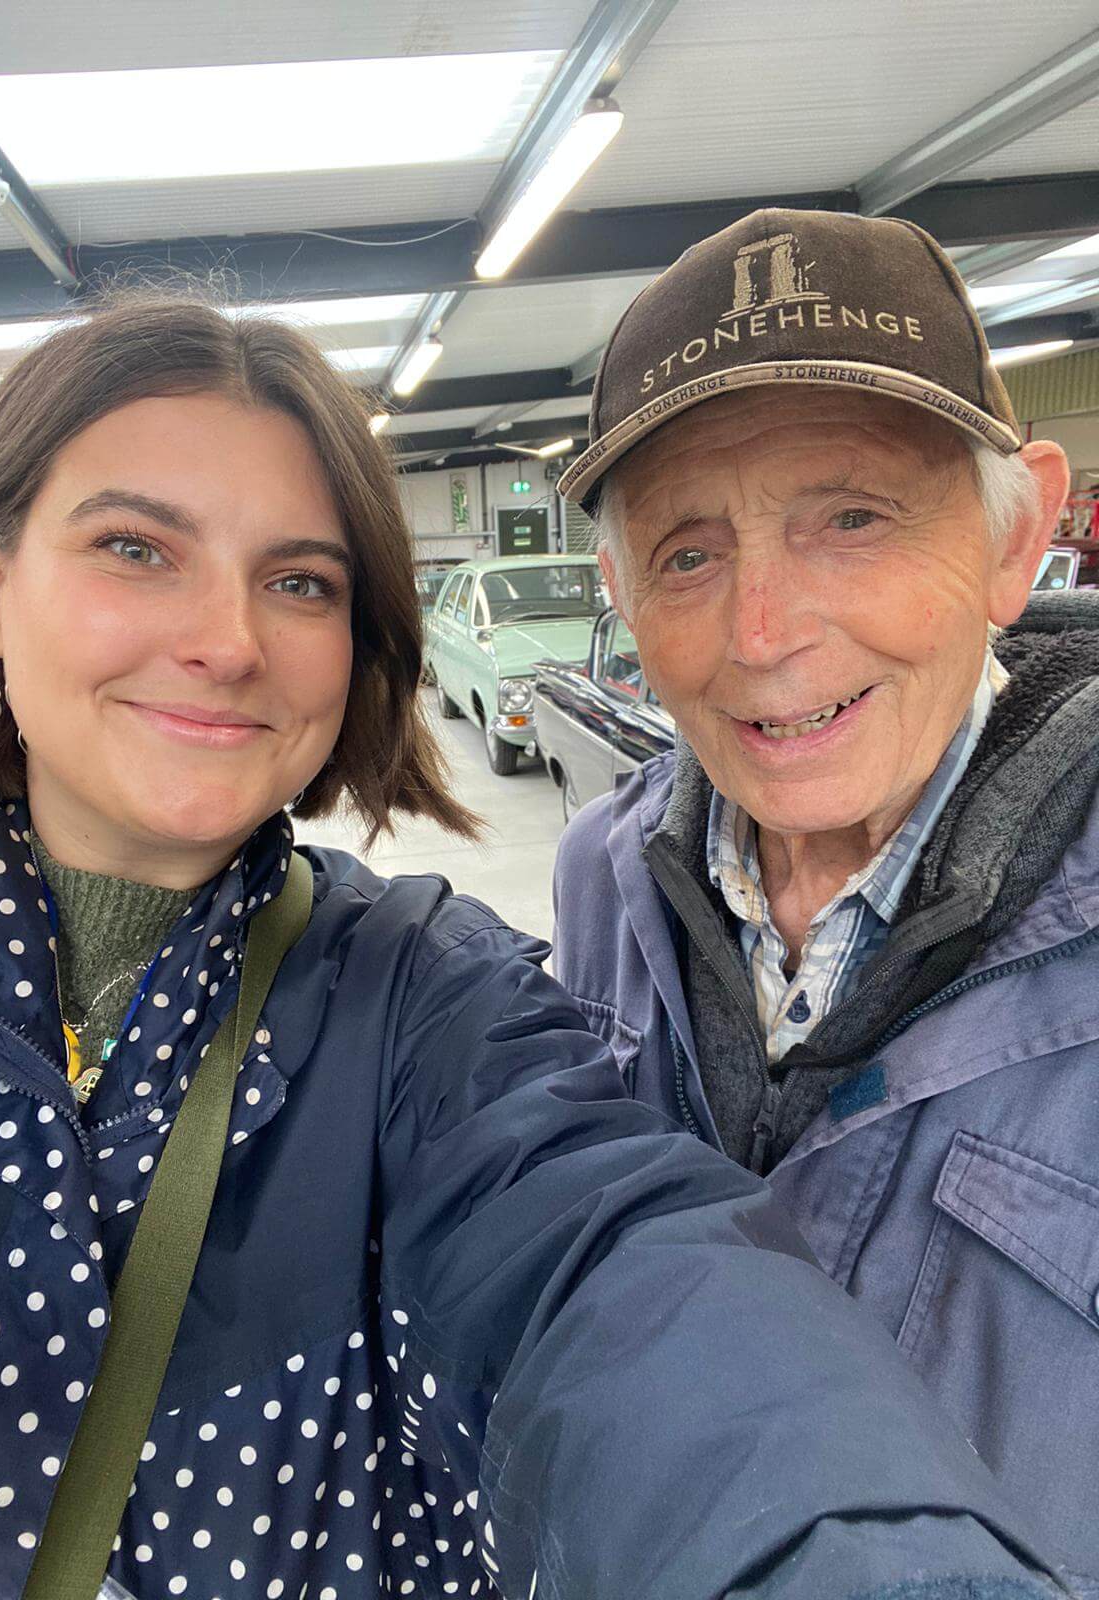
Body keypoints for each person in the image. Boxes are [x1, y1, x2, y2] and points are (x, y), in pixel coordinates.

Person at [0, 293, 1067, 1600]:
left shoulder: (421, 997)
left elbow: (609, 1264)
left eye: (299, 581)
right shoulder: (618, 871)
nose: (226, 642)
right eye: (134, 548)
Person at [552, 208, 1099, 1589]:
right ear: (620, 591)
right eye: (687, 554)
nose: (762, 634)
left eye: (851, 520)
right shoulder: (605, 877)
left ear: (1016, 537)